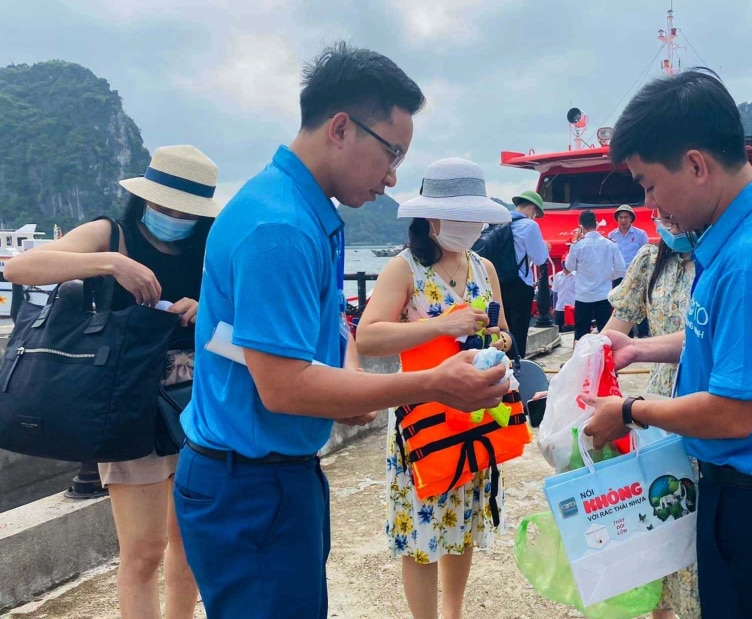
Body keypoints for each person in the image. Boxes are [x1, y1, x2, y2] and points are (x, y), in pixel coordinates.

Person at [172, 44, 509, 619]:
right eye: (392, 153)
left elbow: (331, 326)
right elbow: (286, 388)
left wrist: (350, 376)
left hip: (274, 475)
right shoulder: (280, 227)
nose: (393, 176)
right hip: (250, 484)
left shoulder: (302, 212)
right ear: (340, 129)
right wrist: (432, 383)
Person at [581, 69, 752, 619]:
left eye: (650, 185)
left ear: (696, 165)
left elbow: (733, 414)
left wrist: (629, 410)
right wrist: (641, 350)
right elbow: (725, 339)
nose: (650, 205)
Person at [4, 144, 221, 619]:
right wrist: (108, 263)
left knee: (190, 546)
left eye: (184, 210)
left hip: (198, 398)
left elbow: (241, 308)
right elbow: (19, 268)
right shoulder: (111, 233)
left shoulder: (211, 246)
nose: (171, 216)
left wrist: (207, 312)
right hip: (128, 399)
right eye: (163, 204)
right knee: (144, 550)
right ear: (144, 196)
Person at [356, 157, 514, 619]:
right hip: (421, 417)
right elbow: (368, 335)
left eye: (474, 217)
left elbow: (504, 331)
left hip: (474, 414)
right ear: (430, 217)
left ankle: (454, 612)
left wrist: (495, 339)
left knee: (462, 519)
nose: (468, 226)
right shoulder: (404, 269)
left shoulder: (483, 266)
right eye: (459, 215)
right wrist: (443, 325)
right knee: (419, 530)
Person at [603, 225, 698, 619]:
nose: (668, 222)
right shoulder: (649, 259)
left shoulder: (722, 256)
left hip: (702, 398)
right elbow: (615, 329)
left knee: (695, 520)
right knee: (658, 515)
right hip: (654, 404)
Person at [565, 209, 625, 341]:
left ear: (581, 226)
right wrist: (607, 276)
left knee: (581, 332)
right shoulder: (610, 244)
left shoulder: (577, 246)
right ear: (596, 224)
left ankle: (580, 360)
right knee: (605, 332)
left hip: (583, 295)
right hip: (603, 294)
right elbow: (621, 269)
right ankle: (605, 359)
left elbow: (568, 267)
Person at [503, 190, 549, 357]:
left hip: (497, 282)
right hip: (520, 284)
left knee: (502, 328)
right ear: (531, 208)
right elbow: (540, 258)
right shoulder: (529, 225)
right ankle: (517, 364)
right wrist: (545, 247)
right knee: (519, 330)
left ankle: (501, 364)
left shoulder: (499, 222)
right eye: (536, 212)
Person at [608, 204, 650, 280]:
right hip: (617, 276)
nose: (623, 220)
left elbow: (646, 255)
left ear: (631, 218)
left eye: (626, 217)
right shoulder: (611, 235)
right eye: (621, 217)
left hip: (635, 275)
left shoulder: (641, 234)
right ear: (617, 219)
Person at [552, 262, 575, 331]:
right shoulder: (558, 276)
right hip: (560, 307)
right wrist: (554, 307)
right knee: (558, 329)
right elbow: (555, 292)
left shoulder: (576, 275)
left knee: (572, 329)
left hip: (572, 308)